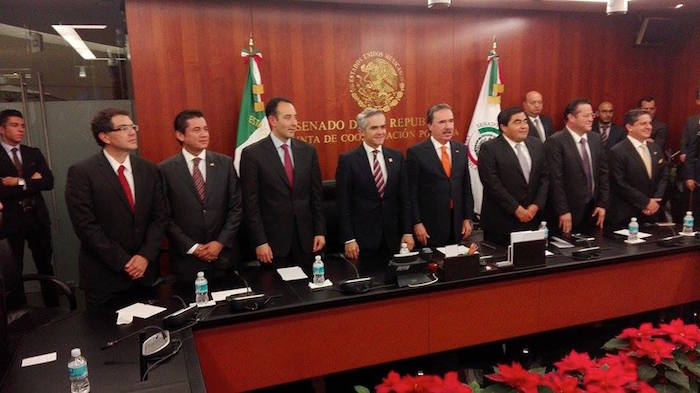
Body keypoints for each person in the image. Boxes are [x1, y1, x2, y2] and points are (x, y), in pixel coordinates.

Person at [65, 108, 166, 310]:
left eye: (133, 127)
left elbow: (160, 217)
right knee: (107, 336)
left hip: (146, 274)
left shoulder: (149, 169)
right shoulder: (82, 172)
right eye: (123, 128)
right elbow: (86, 226)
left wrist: (145, 256)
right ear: (104, 136)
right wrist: (125, 262)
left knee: (150, 334)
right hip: (105, 277)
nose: (132, 132)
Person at [240, 97, 325, 266]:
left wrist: (320, 231)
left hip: (307, 240)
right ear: (272, 120)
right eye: (288, 117)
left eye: (295, 117)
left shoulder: (308, 152)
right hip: (272, 243)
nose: (294, 123)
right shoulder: (252, 154)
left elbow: (316, 197)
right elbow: (250, 204)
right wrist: (260, 242)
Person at [159, 110, 242, 282]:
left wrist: (220, 243)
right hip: (187, 261)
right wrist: (193, 247)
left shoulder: (225, 164)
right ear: (180, 135)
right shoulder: (165, 170)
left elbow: (236, 208)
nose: (204, 134)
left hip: (224, 258)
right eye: (196, 130)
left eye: (206, 129)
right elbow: (164, 216)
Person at [335, 108, 413, 260]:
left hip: (394, 238)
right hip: (362, 240)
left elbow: (405, 199)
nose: (380, 132)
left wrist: (407, 231)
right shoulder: (348, 161)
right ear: (361, 132)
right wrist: (349, 238)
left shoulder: (396, 157)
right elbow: (343, 204)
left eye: (383, 127)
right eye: (374, 127)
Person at [0, 109, 56, 307]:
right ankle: (19, 312)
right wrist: (30, 183)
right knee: (13, 268)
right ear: (1, 129)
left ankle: (54, 308)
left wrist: (17, 182)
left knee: (45, 265)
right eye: (14, 125)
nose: (21, 129)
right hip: (10, 220)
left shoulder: (33, 153)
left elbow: (48, 182)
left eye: (22, 125)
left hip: (37, 218)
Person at [478, 107, 549, 245]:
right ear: (503, 127)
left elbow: (544, 177)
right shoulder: (489, 148)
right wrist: (516, 209)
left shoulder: (536, 144)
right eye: (517, 122)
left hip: (532, 218)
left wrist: (536, 205)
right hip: (502, 222)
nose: (524, 126)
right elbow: (492, 184)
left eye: (525, 121)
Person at [406, 103, 473, 247]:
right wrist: (417, 223)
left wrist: (467, 218)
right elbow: (411, 194)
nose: (448, 126)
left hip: (456, 225)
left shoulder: (461, 150)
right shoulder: (416, 153)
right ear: (429, 125)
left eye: (451, 121)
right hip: (430, 226)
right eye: (442, 122)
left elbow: (466, 187)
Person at [545, 99, 609, 234]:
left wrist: (602, 204)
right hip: (568, 210)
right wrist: (563, 210)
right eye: (586, 116)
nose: (591, 119)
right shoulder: (556, 141)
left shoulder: (595, 139)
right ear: (571, 118)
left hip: (593, 209)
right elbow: (555, 180)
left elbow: (603, 174)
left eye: (592, 115)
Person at [608, 109, 669, 228]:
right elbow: (619, 183)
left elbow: (664, 175)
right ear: (629, 127)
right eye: (643, 124)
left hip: (653, 212)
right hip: (627, 214)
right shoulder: (617, 151)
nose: (649, 127)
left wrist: (655, 201)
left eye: (650, 123)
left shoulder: (654, 147)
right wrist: (645, 203)